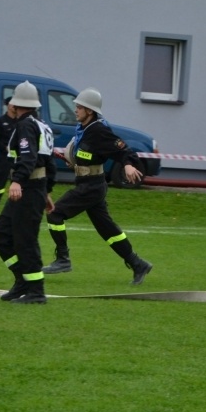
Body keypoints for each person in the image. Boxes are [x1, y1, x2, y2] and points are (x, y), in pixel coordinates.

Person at [41, 88, 152, 285]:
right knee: (108, 230)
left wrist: (127, 165)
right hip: (89, 184)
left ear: (89, 111)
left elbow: (123, 150)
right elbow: (90, 155)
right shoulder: (84, 129)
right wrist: (76, 163)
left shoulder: (99, 130)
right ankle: (138, 264)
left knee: (54, 214)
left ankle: (63, 259)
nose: (75, 110)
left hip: (91, 187)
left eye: (79, 107)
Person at [0, 81, 56, 304]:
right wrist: (47, 191)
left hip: (27, 189)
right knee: (1, 235)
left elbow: (28, 157)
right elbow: (49, 162)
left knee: (25, 241)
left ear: (16, 105)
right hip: (35, 188)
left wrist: (17, 181)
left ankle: (36, 292)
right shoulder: (41, 125)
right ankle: (22, 281)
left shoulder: (25, 126)